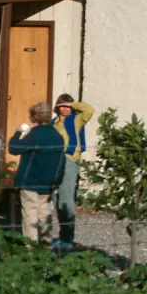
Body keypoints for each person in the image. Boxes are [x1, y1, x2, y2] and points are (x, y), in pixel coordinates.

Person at [8, 102, 65, 243]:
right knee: (44, 214)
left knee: (30, 215)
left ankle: (31, 248)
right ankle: (46, 244)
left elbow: (14, 149)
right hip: (48, 182)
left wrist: (18, 133)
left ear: (34, 117)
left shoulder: (34, 135)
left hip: (30, 182)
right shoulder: (58, 136)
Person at [51, 94, 93, 249]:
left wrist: (74, 104)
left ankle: (68, 239)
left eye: (67, 106)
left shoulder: (75, 119)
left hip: (69, 160)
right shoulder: (53, 123)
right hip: (54, 162)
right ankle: (63, 236)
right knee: (56, 201)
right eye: (62, 106)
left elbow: (89, 110)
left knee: (66, 200)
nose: (65, 109)